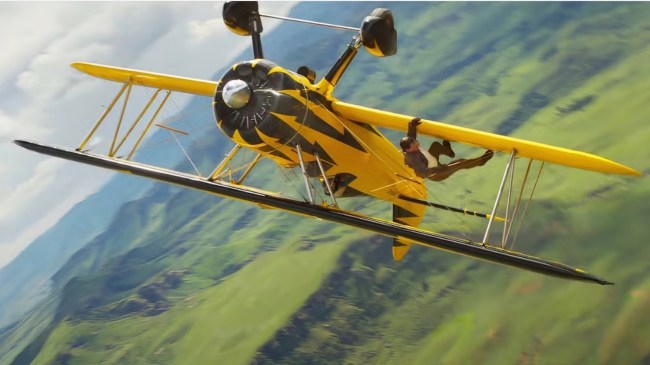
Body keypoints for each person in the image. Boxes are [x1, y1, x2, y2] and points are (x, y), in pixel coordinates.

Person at [400, 117, 494, 181]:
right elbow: (421, 173)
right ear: (408, 150)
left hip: (430, 161)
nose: (417, 143)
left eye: (414, 141)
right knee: (460, 163)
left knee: (435, 146)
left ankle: (450, 152)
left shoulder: (409, 148)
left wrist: (412, 126)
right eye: (414, 144)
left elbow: (411, 137)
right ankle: (482, 161)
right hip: (438, 174)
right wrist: (440, 168)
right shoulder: (414, 159)